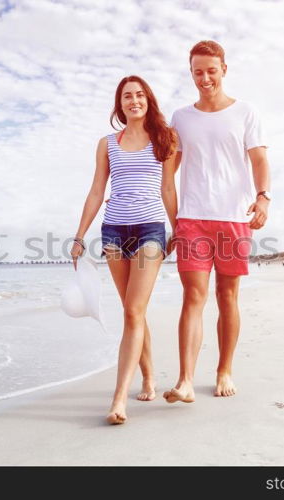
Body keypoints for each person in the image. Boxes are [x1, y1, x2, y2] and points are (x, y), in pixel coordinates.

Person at [161, 40, 271, 403]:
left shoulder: (245, 112)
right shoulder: (181, 117)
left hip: (232, 218)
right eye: (198, 72)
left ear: (224, 68)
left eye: (211, 70)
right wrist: (173, 221)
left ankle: (224, 370)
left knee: (227, 295)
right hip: (192, 217)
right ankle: (186, 381)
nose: (205, 78)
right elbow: (168, 173)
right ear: (190, 73)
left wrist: (263, 197)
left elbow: (258, 160)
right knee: (192, 296)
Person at [71, 75, 176, 424]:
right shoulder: (107, 144)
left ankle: (119, 399)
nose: (134, 101)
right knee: (134, 311)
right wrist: (79, 234)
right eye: (127, 96)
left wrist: (178, 228)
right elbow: (96, 190)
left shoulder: (165, 138)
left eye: (140, 95)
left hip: (149, 229)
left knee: (133, 310)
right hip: (114, 231)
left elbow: (168, 189)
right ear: (120, 104)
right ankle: (148, 375)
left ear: (149, 100)